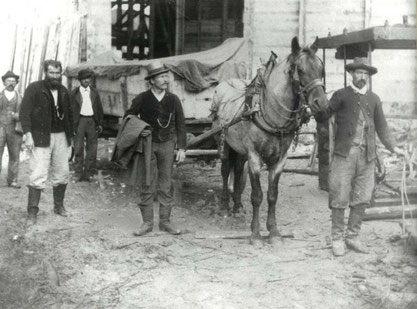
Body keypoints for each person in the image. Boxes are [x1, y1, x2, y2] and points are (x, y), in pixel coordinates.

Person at [315, 57, 406, 256]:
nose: (361, 76)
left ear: (369, 76)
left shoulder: (374, 99)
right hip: (344, 155)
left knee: (362, 198)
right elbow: (323, 115)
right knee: (339, 196)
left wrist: (393, 148)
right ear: (351, 74)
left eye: (365, 73)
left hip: (367, 157)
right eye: (358, 72)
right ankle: (337, 238)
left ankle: (353, 237)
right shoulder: (341, 95)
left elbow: (382, 127)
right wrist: (317, 105)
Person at [125, 61, 186, 236]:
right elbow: (128, 117)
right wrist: (140, 130)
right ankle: (147, 223)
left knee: (166, 184)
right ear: (152, 80)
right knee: (147, 183)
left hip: (167, 144)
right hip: (148, 144)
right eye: (161, 76)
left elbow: (181, 124)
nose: (165, 79)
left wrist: (181, 148)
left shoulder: (173, 99)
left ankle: (165, 222)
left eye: (166, 76)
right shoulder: (142, 98)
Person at [20, 60, 74, 226]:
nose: (55, 77)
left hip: (61, 137)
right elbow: (25, 112)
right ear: (45, 73)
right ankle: (32, 213)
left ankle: (58, 206)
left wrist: (69, 141)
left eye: (58, 73)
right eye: (51, 73)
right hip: (41, 137)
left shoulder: (64, 91)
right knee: (38, 173)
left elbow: (70, 117)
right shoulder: (34, 88)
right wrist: (28, 134)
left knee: (62, 172)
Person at [70, 69, 104, 181]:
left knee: (92, 149)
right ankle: (78, 173)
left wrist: (99, 123)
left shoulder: (94, 92)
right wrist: (72, 126)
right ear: (80, 80)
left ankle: (89, 173)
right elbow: (70, 111)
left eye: (89, 78)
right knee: (78, 148)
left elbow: (99, 108)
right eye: (84, 78)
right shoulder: (74, 93)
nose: (87, 81)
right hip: (79, 121)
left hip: (92, 122)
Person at [0, 71, 23, 188]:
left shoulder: (20, 98)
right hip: (0, 127)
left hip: (15, 128)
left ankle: (13, 180)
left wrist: (17, 115)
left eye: (13, 81)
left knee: (14, 155)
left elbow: (25, 113)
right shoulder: (0, 95)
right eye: (8, 81)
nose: (11, 83)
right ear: (4, 82)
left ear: (16, 83)